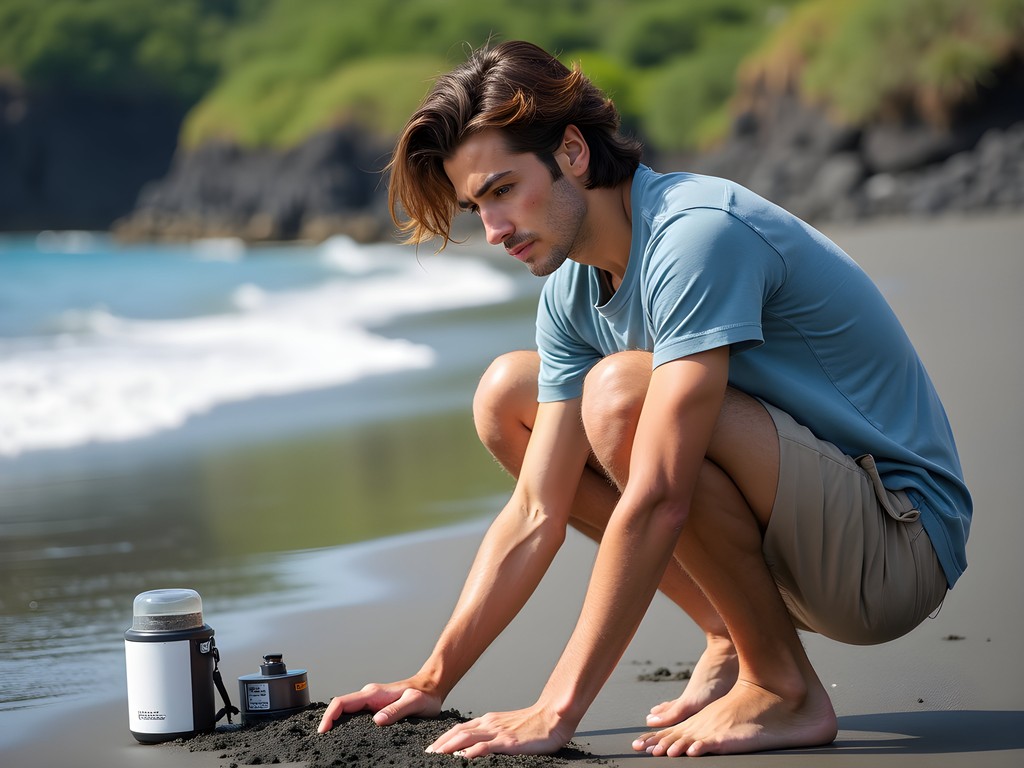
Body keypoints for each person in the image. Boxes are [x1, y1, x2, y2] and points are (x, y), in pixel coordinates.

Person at [317, 40, 972, 758]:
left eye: (503, 190)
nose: (493, 230)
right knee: (509, 396)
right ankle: (735, 633)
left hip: (895, 544)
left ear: (571, 151)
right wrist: (432, 678)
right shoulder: (573, 289)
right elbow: (539, 509)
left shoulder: (694, 236)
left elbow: (660, 493)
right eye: (477, 206)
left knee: (621, 392)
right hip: (801, 528)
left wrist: (555, 709)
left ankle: (783, 689)